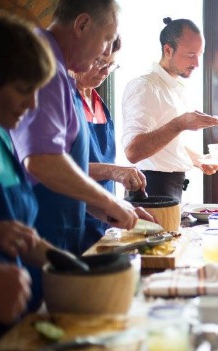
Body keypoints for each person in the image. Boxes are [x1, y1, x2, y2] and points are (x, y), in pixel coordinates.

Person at [9, 0, 149, 255]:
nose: (106, 52)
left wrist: (110, 210)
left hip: (61, 238)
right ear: (82, 24)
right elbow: (41, 162)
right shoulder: (43, 65)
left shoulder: (60, 71)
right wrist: (110, 202)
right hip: (38, 239)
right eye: (107, 39)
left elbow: (68, 171)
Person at [0, 14, 56, 350]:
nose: (33, 104)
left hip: (11, 333)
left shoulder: (1, 139)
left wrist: (76, 267)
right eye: (24, 90)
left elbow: (23, 237)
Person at [122, 17, 218, 203]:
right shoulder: (144, 87)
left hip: (171, 186)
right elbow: (132, 151)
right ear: (168, 50)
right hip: (151, 188)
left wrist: (198, 159)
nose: (197, 64)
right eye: (190, 55)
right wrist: (180, 124)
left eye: (199, 55)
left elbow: (167, 144)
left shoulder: (174, 88)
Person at [70, 36, 147, 251]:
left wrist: (119, 208)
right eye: (100, 63)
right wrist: (114, 171)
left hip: (103, 218)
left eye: (111, 65)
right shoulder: (65, 101)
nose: (105, 72)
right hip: (73, 218)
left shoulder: (99, 103)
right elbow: (59, 169)